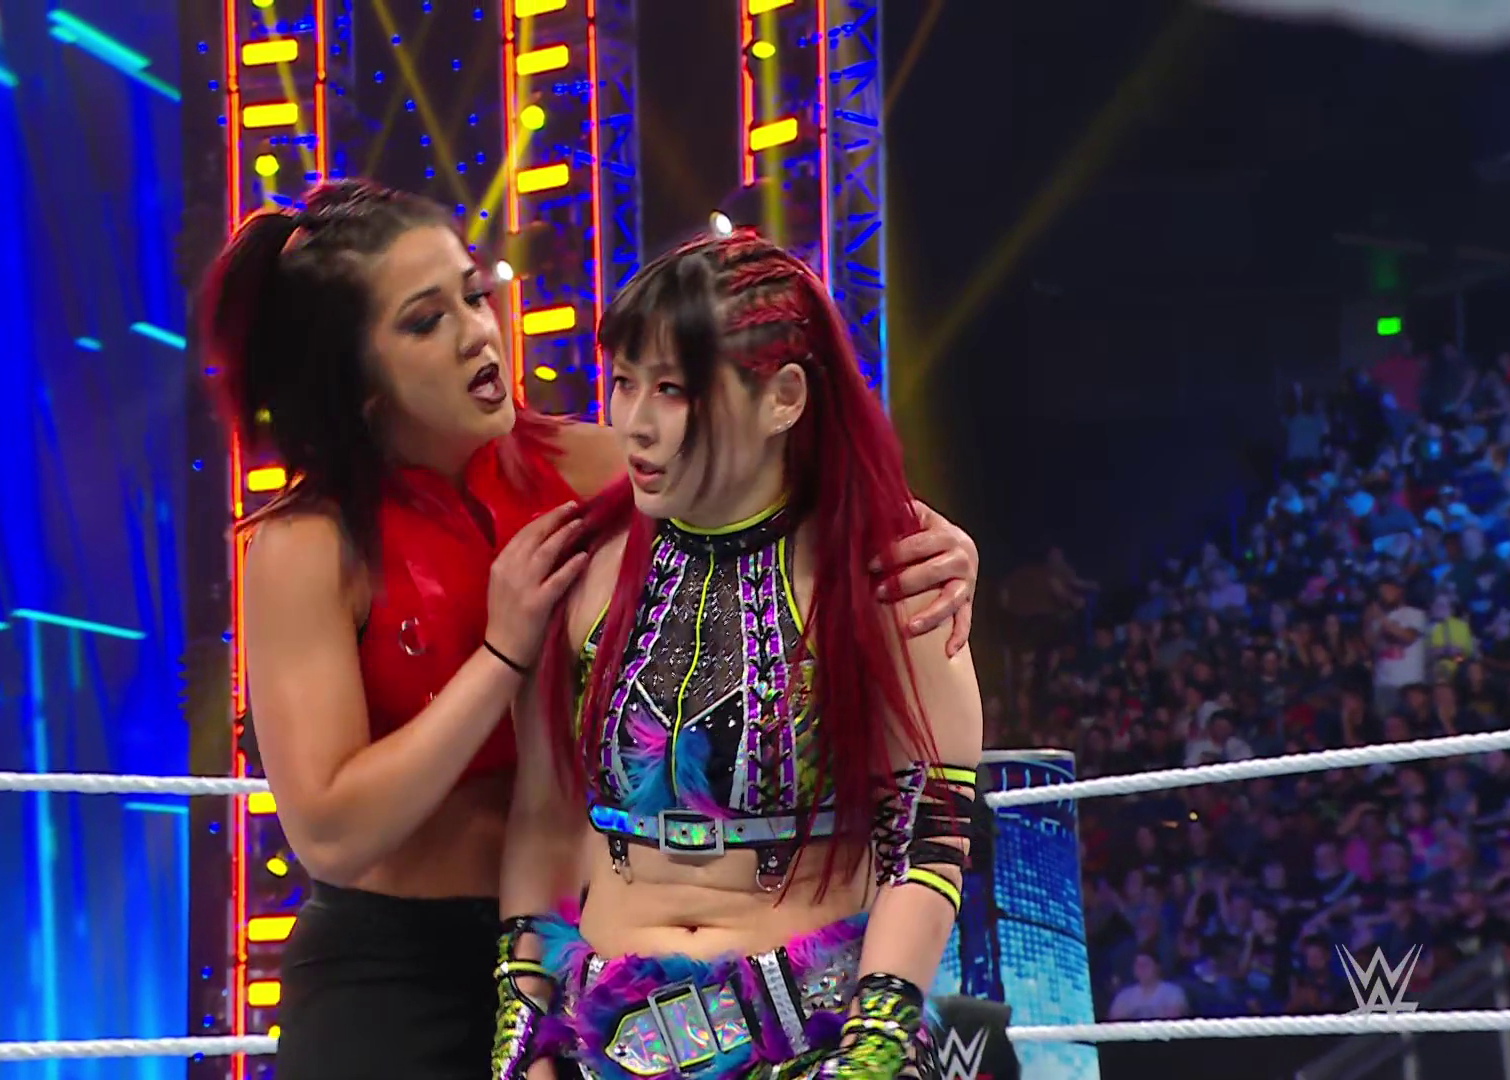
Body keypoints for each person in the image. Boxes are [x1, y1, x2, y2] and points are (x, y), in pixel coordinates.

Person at [199, 181, 984, 1080]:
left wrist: (932, 543)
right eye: (425, 321)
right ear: (359, 380)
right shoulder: (305, 546)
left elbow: (778, 479)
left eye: (473, 295)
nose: (478, 332)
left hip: (603, 959)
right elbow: (332, 832)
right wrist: (501, 655)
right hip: (399, 964)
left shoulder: (598, 465)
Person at [493, 228, 986, 1080]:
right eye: (622, 383)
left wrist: (869, 1052)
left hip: (812, 1042)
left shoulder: (894, 572)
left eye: (672, 389)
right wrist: (523, 1040)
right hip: (603, 1046)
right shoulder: (580, 569)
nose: (634, 422)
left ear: (784, 397)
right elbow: (541, 818)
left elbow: (927, 840)